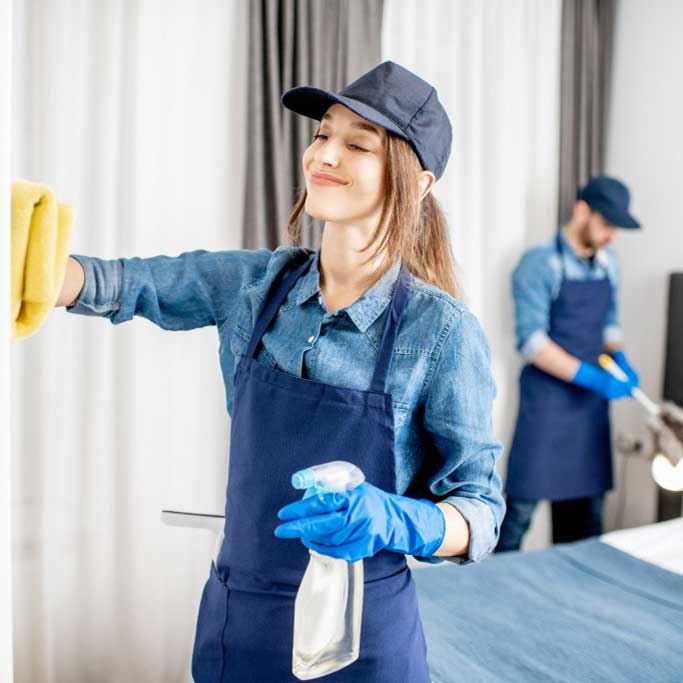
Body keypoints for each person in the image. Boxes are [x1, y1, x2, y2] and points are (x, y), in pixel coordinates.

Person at [56, 61, 504, 681]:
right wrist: (35, 270)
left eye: (356, 144)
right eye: (322, 135)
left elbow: (480, 512)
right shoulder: (252, 285)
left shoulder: (442, 333)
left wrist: (400, 518)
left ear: (417, 182)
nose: (324, 154)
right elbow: (122, 282)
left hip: (362, 643)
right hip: (239, 625)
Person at [497, 176, 641, 553]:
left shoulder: (609, 266)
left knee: (586, 524)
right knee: (518, 517)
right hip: (548, 403)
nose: (612, 236)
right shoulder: (539, 264)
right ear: (582, 211)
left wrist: (619, 358)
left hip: (590, 410)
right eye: (607, 225)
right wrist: (593, 377)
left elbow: (609, 325)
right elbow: (532, 342)